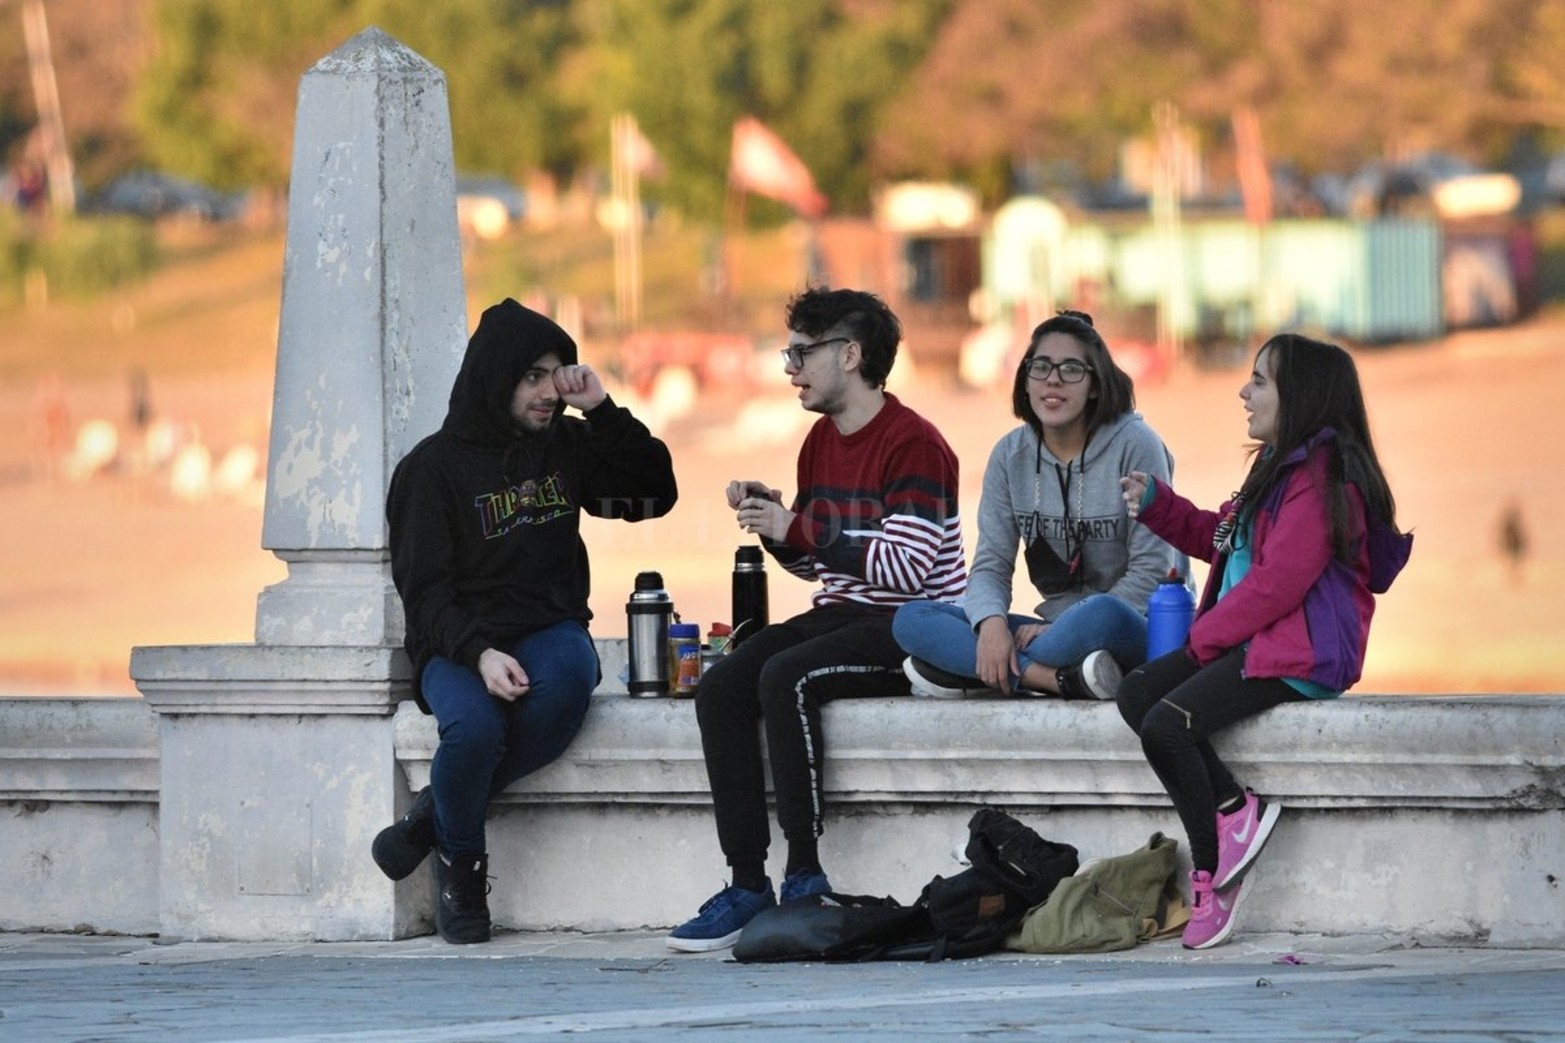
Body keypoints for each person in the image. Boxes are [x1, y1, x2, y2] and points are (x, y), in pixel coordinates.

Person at [665, 286, 966, 953]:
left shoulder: (914, 442)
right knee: (719, 687)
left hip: (910, 626)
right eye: (789, 352)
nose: (789, 368)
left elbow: (907, 570)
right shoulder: (818, 441)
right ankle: (747, 882)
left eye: (801, 352)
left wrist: (799, 526)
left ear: (850, 354)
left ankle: (803, 871)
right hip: (839, 613)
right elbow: (822, 568)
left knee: (786, 676)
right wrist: (777, 528)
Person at [374, 298, 678, 944]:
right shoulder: (428, 472)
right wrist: (479, 652)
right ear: (496, 376)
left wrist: (600, 408)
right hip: (455, 644)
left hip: (546, 628)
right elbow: (424, 594)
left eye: (557, 374)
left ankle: (434, 818)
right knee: (475, 729)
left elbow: (655, 492)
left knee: (570, 677)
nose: (549, 392)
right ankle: (461, 862)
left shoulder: (565, 447)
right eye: (533, 376)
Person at [1115, 333, 1412, 950]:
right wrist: (1158, 506)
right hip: (1256, 643)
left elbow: (1281, 582)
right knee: (1139, 691)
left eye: (1259, 381)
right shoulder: (1275, 469)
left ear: (1298, 394)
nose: (1244, 392)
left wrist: (1202, 640)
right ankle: (1232, 805)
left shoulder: (1325, 478)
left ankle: (1210, 879)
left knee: (1167, 726)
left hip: (1297, 653)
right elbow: (1221, 538)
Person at [895, 310, 1180, 700]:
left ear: (1095, 385)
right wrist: (991, 626)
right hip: (1048, 633)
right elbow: (992, 563)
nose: (1054, 379)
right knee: (912, 619)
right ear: (1025, 379)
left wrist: (1052, 630)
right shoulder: (1010, 456)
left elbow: (1152, 571)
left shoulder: (1136, 445)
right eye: (1041, 366)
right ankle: (1055, 679)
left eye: (1072, 369)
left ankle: (967, 669)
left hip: (1132, 623)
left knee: (1100, 613)